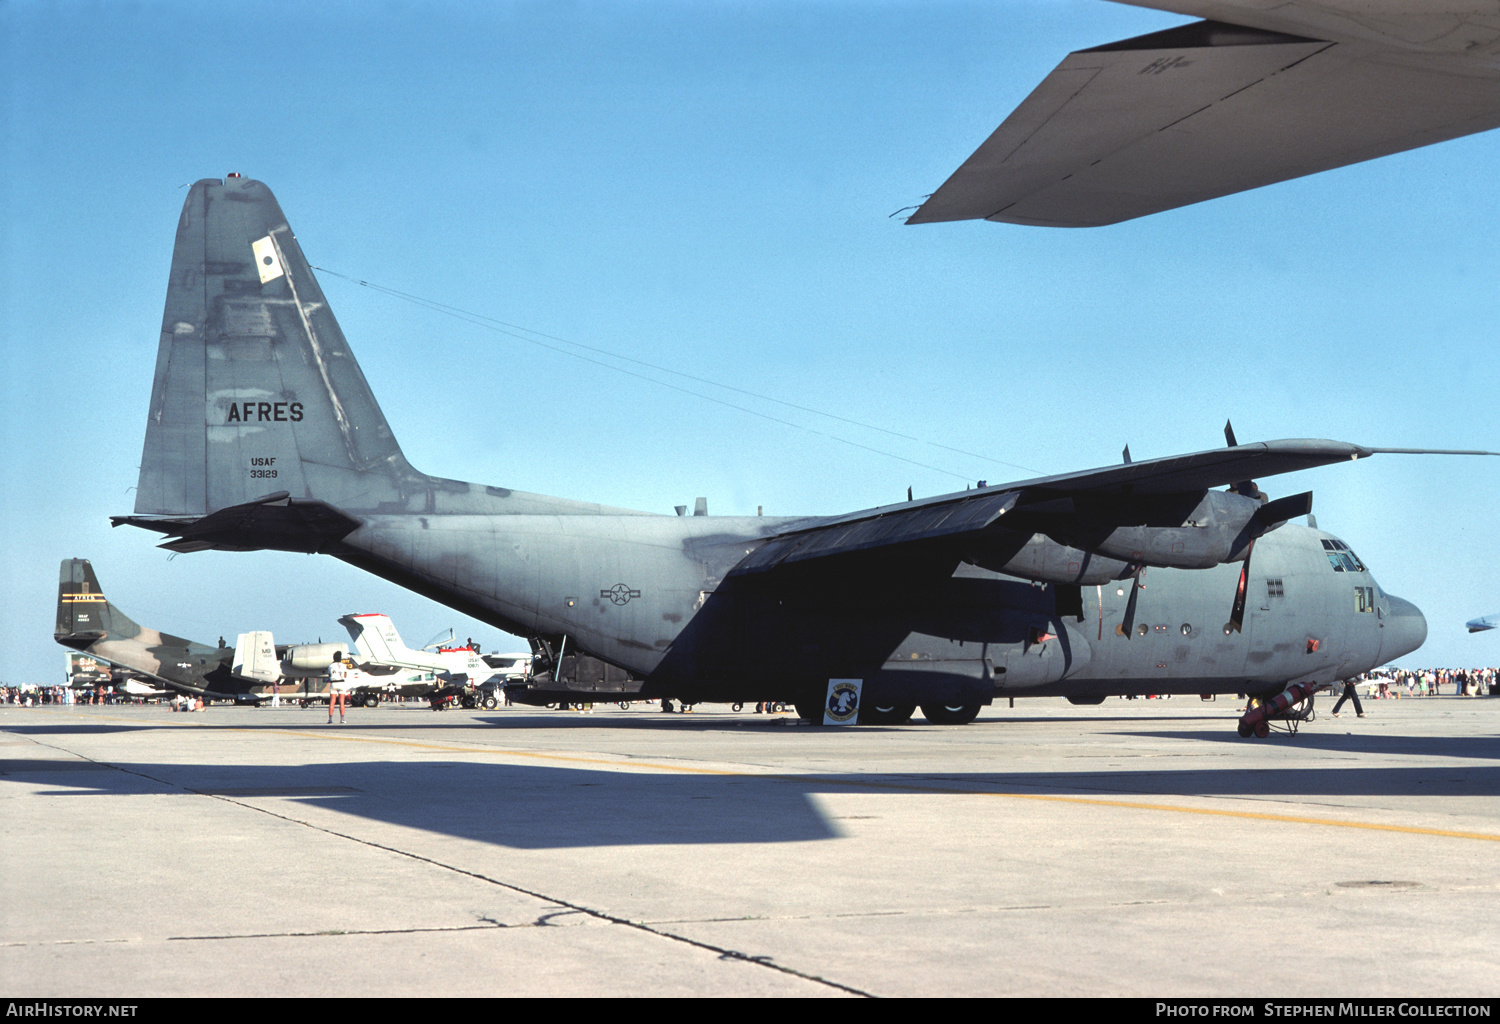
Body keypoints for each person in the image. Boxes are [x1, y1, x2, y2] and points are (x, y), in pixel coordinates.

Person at [328, 659, 349, 724]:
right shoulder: (343, 665)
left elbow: (329, 674)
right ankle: (342, 719)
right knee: (341, 702)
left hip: (334, 683)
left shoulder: (331, 665)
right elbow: (345, 675)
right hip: (341, 683)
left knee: (332, 701)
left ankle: (330, 719)